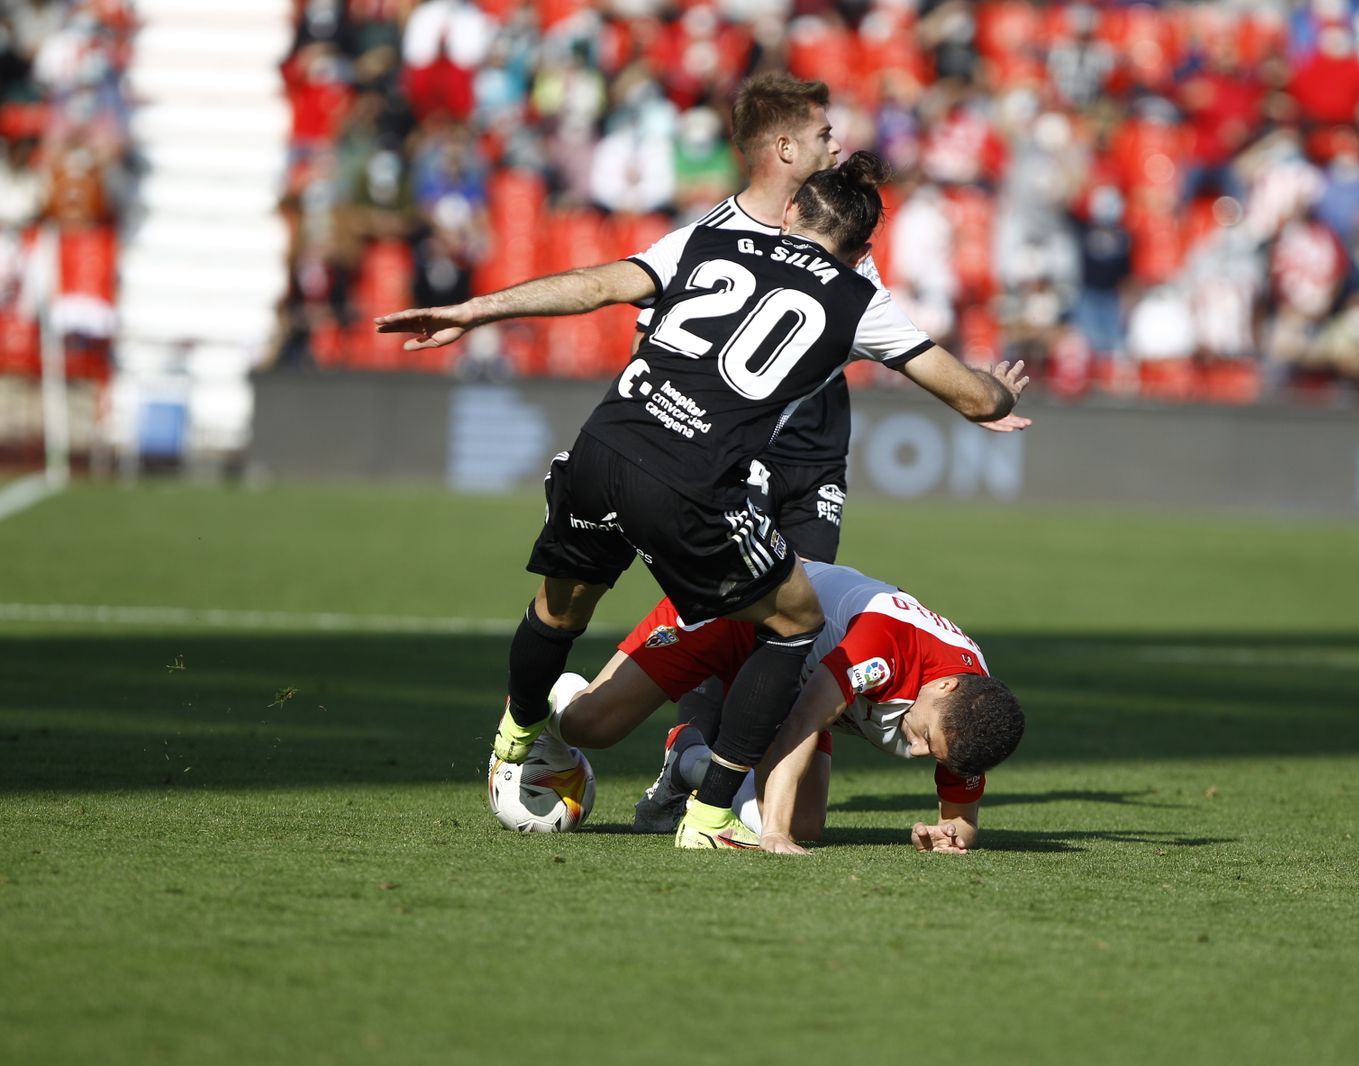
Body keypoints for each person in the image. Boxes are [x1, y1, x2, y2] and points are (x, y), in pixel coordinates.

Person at [375, 150, 1029, 849]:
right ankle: (708, 812)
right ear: (865, 250)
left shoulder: (707, 236)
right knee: (789, 628)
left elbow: (596, 285)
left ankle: (531, 737)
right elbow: (971, 394)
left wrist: (475, 310)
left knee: (560, 610)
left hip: (607, 440)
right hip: (693, 488)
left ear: (788, 213)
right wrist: (997, 393)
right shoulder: (857, 300)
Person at [527, 561, 1025, 855]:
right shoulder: (887, 647)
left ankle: (690, 761)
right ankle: (552, 698)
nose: (915, 751)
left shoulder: (971, 718)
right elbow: (807, 719)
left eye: (930, 753)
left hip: (795, 673)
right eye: (924, 738)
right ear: (944, 689)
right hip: (735, 608)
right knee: (591, 726)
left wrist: (949, 835)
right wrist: (773, 833)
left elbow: (962, 817)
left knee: (806, 825)